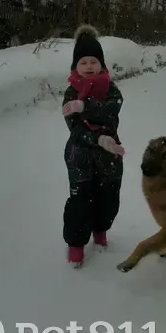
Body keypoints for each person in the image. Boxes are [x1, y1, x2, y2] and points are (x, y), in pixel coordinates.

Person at [62, 24, 125, 268]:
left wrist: (86, 107)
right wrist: (97, 138)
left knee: (107, 199)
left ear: (102, 65)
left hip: (110, 157)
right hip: (80, 158)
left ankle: (100, 231)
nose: (89, 66)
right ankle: (76, 245)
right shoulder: (70, 92)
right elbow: (76, 129)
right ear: (75, 67)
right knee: (80, 203)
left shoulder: (111, 90)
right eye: (83, 62)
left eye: (93, 62)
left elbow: (112, 111)